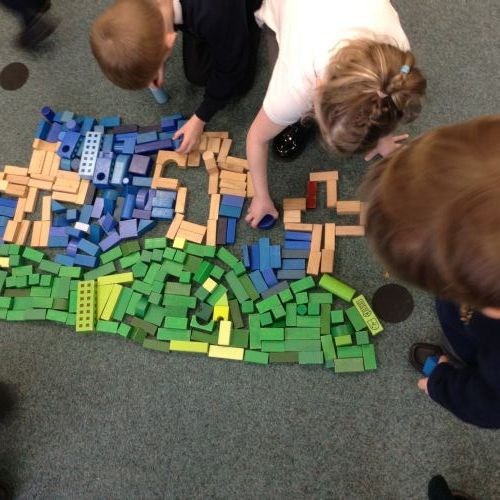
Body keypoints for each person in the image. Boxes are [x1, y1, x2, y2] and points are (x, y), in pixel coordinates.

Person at [362, 115, 500, 429]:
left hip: (486, 364)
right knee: (456, 315)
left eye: (440, 283)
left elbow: (489, 407)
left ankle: (456, 363)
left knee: (476, 355)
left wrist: (442, 384)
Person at [244, 0, 426, 228]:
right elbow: (256, 137)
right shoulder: (294, 85)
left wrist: (383, 136)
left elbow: (386, 99)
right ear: (315, 97)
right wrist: (261, 197)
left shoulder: (394, 67)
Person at [90, 0, 262, 154]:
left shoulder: (213, 13)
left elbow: (230, 69)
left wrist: (201, 118)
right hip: (199, 14)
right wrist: (157, 60)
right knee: (197, 74)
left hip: (229, 9)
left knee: (238, 81)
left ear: (170, 41)